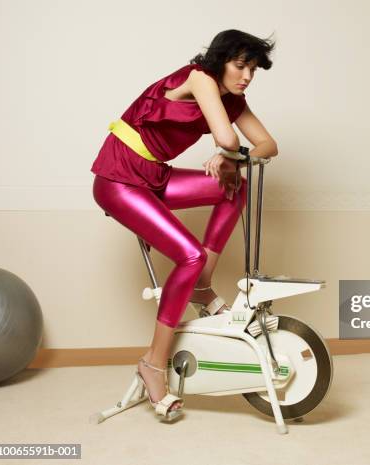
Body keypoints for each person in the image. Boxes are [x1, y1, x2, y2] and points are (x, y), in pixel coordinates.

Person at [90, 30, 277, 421]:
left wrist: (232, 161)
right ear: (220, 60)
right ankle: (153, 365)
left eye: (253, 69)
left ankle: (202, 286)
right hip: (119, 179)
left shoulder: (233, 98)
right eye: (239, 65)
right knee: (188, 255)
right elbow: (227, 136)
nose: (246, 75)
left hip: (154, 177)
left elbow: (267, 145)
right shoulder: (199, 78)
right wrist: (227, 151)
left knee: (233, 187)